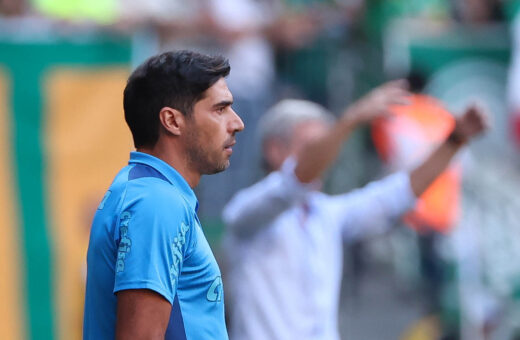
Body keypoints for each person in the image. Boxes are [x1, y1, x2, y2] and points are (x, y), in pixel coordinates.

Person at [222, 81, 487, 340]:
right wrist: (350, 120)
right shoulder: (246, 211)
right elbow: (295, 180)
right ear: (274, 150)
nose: (326, 156)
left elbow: (399, 193)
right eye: (313, 146)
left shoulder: (327, 213)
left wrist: (455, 139)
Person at [83, 50, 244, 339]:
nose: (237, 123)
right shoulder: (157, 203)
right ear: (172, 121)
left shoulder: (142, 190)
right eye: (220, 109)